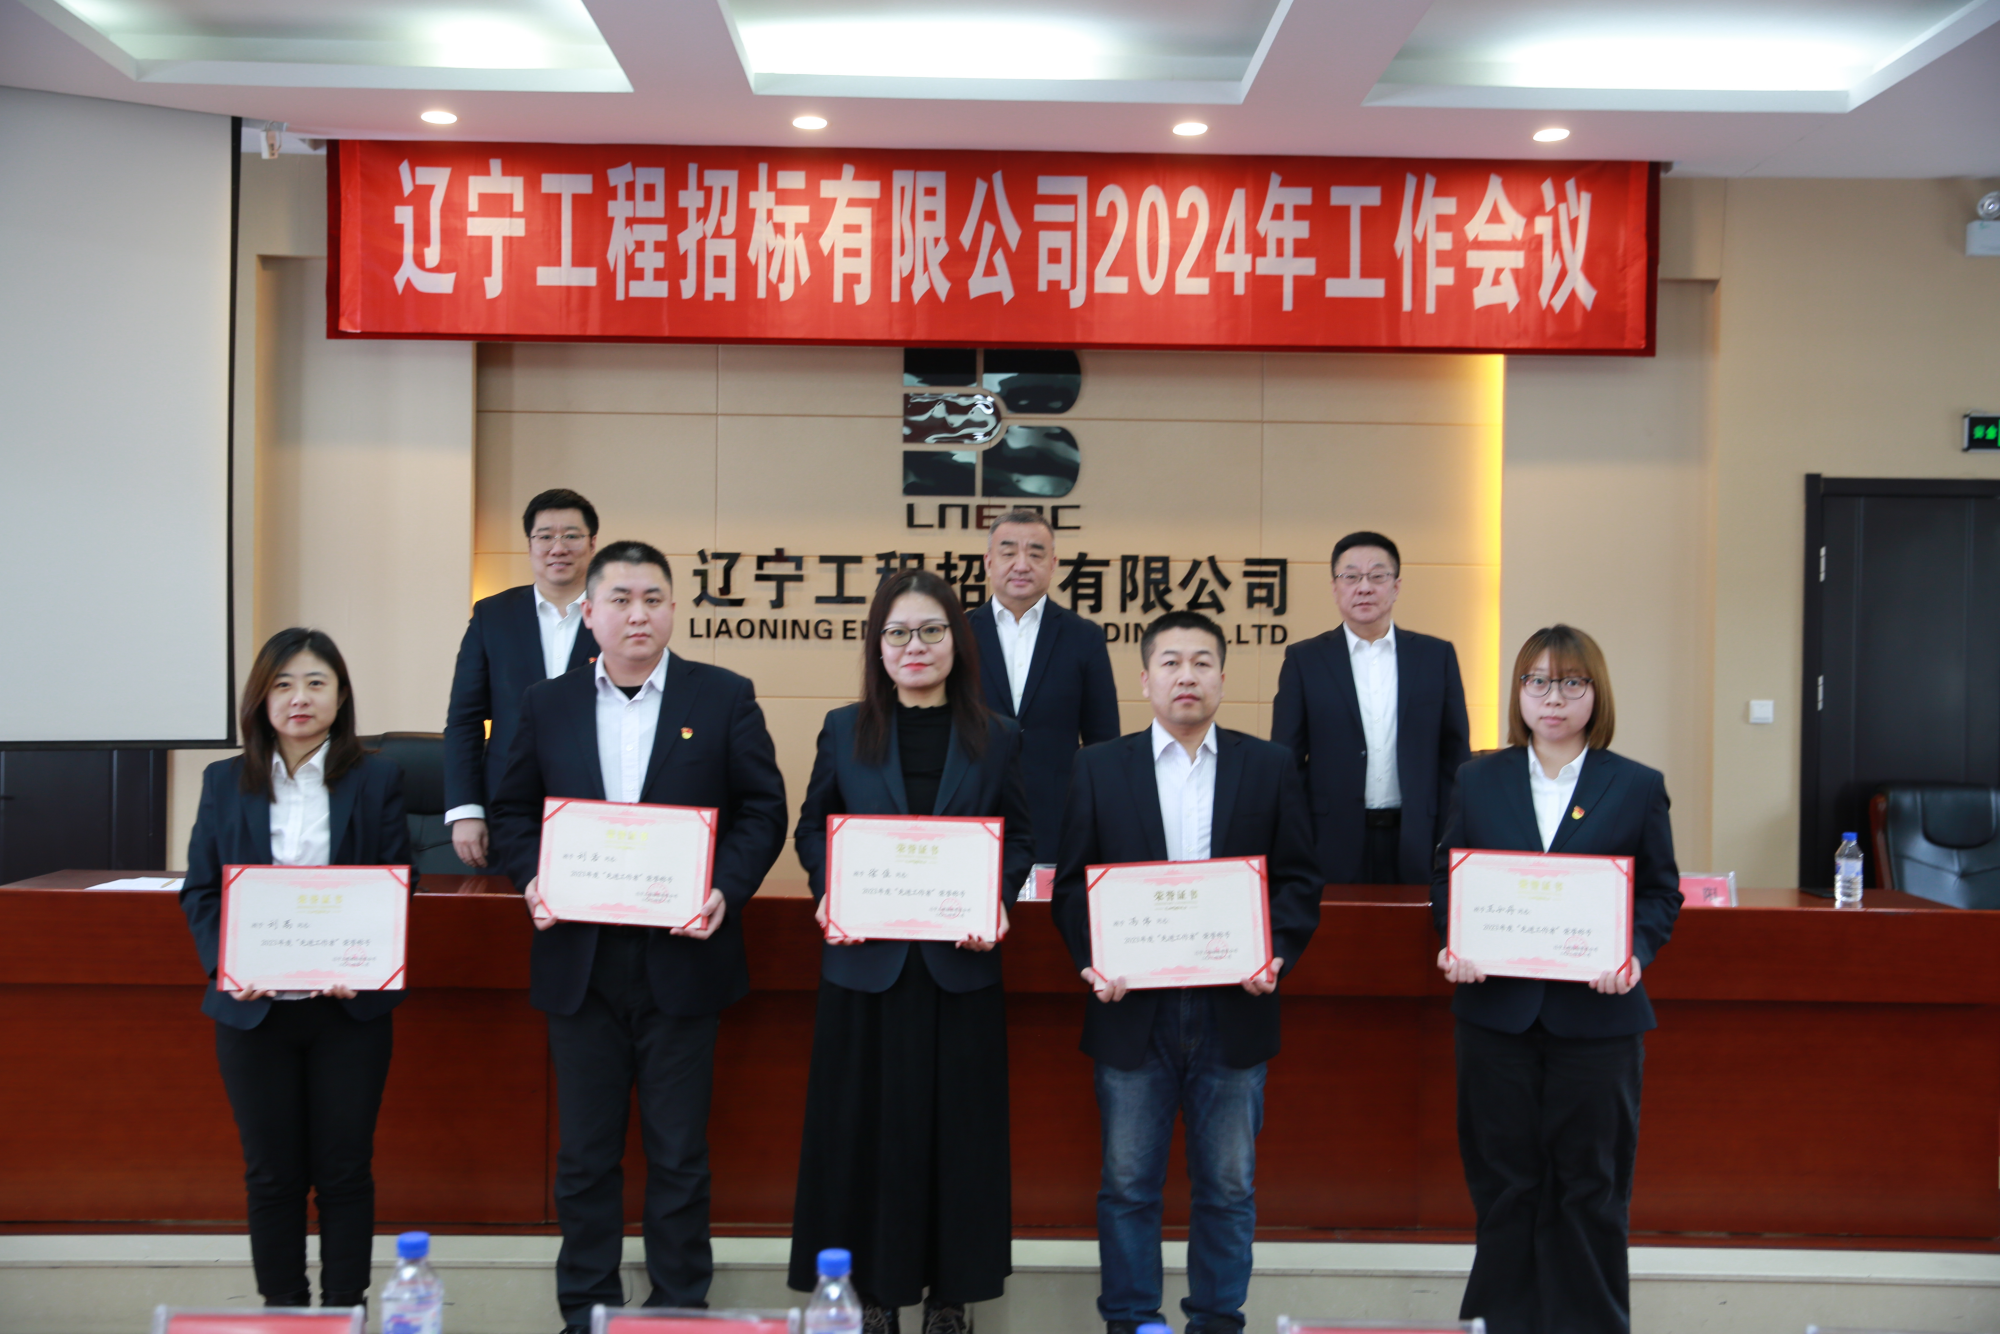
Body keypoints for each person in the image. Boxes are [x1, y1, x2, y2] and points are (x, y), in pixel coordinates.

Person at [487, 540, 788, 1334]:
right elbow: (512, 811)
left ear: (674, 609)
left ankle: (679, 1307)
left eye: (653, 598)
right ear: (589, 613)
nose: (637, 614)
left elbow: (763, 810)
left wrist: (724, 888)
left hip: (682, 955)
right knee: (586, 1154)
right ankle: (586, 1309)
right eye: (619, 599)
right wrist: (532, 878)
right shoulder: (546, 703)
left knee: (679, 1150)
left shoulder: (722, 697)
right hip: (580, 958)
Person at [1052, 610, 1321, 1334]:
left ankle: (1216, 1322)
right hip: (1131, 1008)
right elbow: (1073, 885)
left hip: (1233, 1005)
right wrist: (1094, 958)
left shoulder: (1268, 766)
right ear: (1145, 680)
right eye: (1170, 662)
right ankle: (1131, 1321)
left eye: (1202, 662)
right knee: (1127, 1186)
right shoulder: (1099, 766)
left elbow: (1299, 880)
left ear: (1223, 679)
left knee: (1228, 1189)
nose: (1187, 676)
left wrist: (1275, 952)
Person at [789, 567, 1036, 1334]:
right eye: (897, 633)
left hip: (959, 968)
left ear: (957, 642)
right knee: (864, 1135)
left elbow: (1020, 837)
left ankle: (949, 1299)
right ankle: (873, 1296)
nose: (914, 646)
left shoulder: (998, 735)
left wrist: (996, 899)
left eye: (931, 630)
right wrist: (830, 888)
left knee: (957, 1138)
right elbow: (813, 829)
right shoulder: (844, 728)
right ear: (877, 646)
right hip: (867, 968)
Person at [1432, 625, 1681, 1334]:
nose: (1553, 698)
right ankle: (1502, 1323)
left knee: (1591, 1190)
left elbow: (1660, 893)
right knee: (1505, 1186)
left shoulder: (1635, 785)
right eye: (1536, 681)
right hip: (1496, 1016)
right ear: (1518, 692)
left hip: (1598, 1022)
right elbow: (1449, 879)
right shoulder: (1479, 778)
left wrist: (1632, 952)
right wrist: (1455, 941)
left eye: (1572, 682)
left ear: (1595, 694)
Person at [179, 627, 412, 1311]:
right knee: (272, 1175)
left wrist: (362, 960)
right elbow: (201, 891)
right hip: (254, 1012)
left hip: (348, 1011)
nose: (299, 698)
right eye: (282, 684)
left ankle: (344, 1311)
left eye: (316, 683)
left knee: (344, 1172)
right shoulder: (224, 781)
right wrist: (230, 965)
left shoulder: (377, 779)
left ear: (341, 697)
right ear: (261, 697)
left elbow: (397, 884)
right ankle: (283, 1314)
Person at [1271, 530, 1471, 885]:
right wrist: (1302, 837)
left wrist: (1448, 831)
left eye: (1377, 576)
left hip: (1419, 838)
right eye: (1351, 577)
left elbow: (1454, 755)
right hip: (1330, 841)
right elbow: (1288, 762)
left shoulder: (1435, 656)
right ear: (1335, 588)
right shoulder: (1305, 660)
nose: (1364, 587)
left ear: (1396, 586)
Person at [443, 488, 602, 869]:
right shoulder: (492, 616)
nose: (558, 547)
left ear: (592, 543)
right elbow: (464, 720)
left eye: (571, 536)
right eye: (545, 536)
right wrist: (466, 809)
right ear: (529, 545)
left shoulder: (615, 615)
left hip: (597, 805)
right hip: (507, 806)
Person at [968, 508, 1121, 868]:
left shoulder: (1084, 637)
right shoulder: (958, 634)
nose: (1021, 565)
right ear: (988, 562)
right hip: (973, 812)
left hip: (1059, 819)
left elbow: (1103, 742)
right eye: (1008, 553)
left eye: (1035, 554)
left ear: (1053, 565)